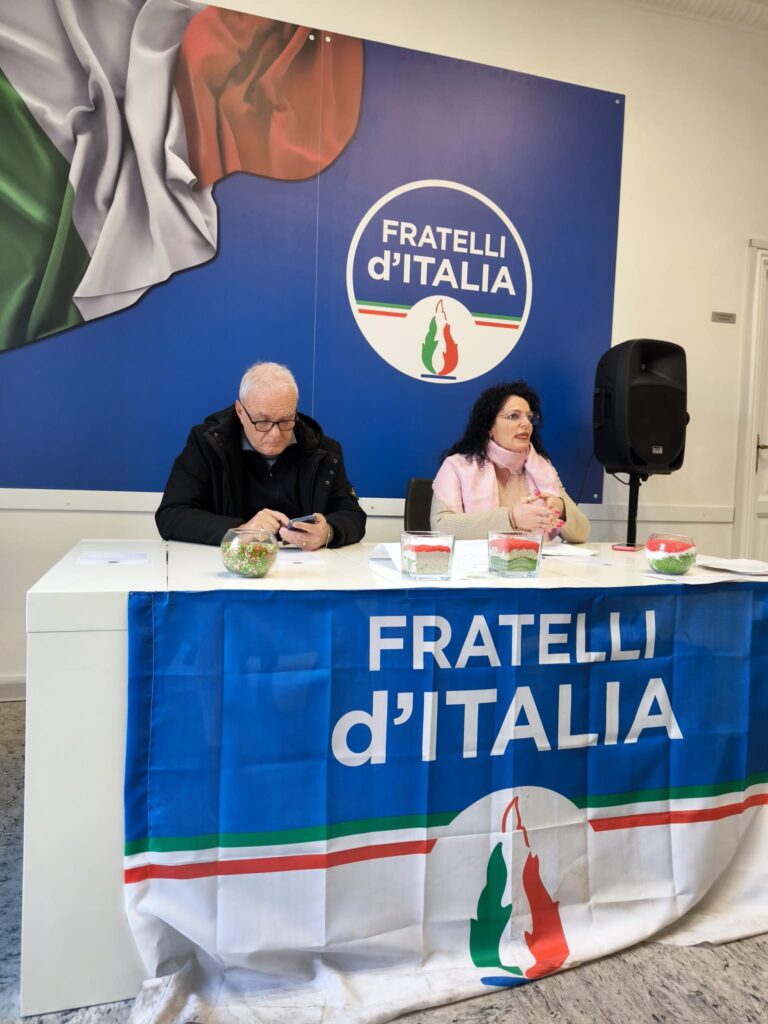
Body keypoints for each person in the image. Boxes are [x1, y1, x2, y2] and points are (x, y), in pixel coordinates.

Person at [155, 362, 366, 549]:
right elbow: (171, 515)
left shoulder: (324, 451)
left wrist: (327, 532)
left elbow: (353, 515)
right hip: (230, 567)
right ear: (240, 412)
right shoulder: (206, 445)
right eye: (262, 422)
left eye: (285, 420)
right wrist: (240, 530)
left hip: (305, 570)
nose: (275, 434)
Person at [431, 381, 590, 543]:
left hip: (534, 558)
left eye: (529, 417)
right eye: (514, 416)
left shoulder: (542, 468)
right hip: (476, 559)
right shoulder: (456, 466)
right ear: (489, 427)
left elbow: (582, 533)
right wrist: (511, 518)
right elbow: (441, 526)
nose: (526, 423)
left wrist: (561, 509)